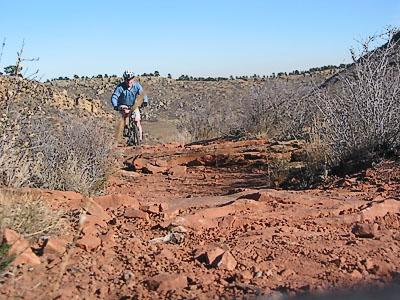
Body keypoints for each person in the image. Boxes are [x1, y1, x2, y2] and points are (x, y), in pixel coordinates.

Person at [111, 70, 148, 141]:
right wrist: (115, 105)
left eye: (130, 79)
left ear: (133, 79)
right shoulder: (120, 87)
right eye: (127, 80)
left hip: (133, 105)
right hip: (123, 105)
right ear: (124, 79)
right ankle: (126, 127)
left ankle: (140, 138)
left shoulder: (137, 86)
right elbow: (114, 97)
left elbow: (143, 93)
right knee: (126, 112)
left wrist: (145, 101)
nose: (129, 81)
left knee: (137, 120)